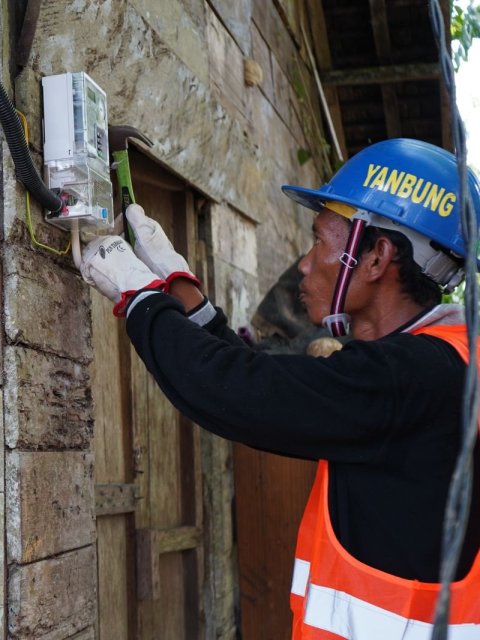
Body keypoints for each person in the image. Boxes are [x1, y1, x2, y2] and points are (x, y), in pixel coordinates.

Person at [80, 138, 480, 638]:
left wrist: (139, 297)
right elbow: (275, 389)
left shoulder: (415, 375)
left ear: (376, 257)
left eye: (319, 241)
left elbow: (240, 397)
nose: (307, 265)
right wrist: (185, 295)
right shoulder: (446, 363)